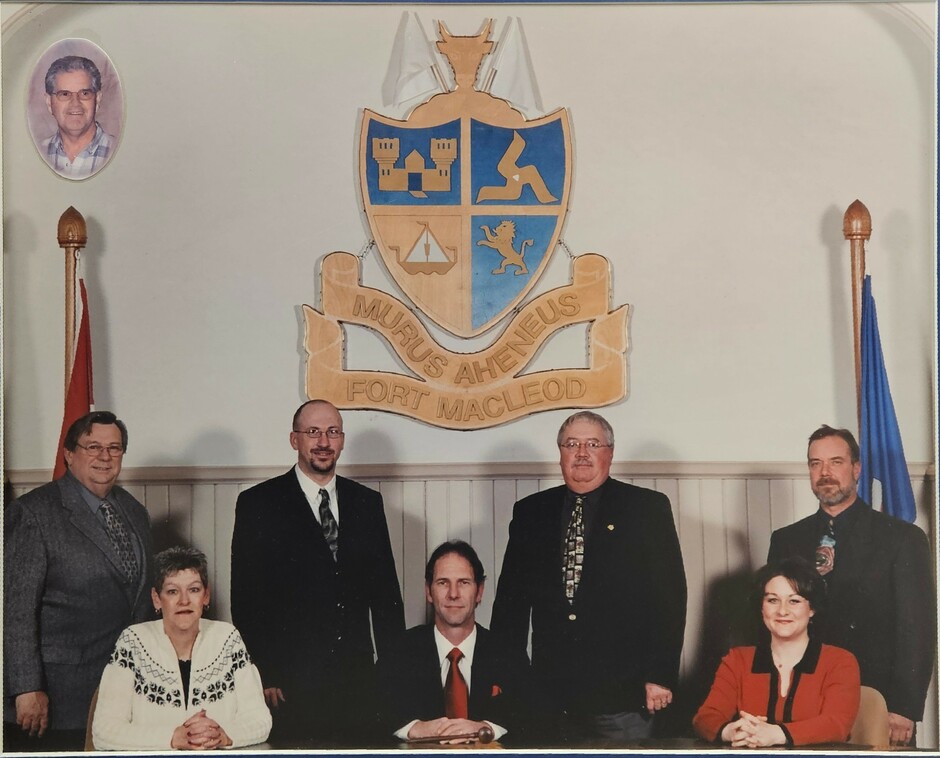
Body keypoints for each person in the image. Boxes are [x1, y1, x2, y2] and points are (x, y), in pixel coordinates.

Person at [490, 411, 687, 743]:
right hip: (549, 698)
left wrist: (660, 675)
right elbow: (510, 603)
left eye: (592, 444)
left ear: (609, 453)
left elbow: (669, 597)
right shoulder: (531, 512)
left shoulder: (646, 508)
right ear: (560, 454)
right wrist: (503, 675)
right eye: (572, 444)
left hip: (624, 698)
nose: (581, 453)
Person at [230, 399, 405, 745]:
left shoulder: (367, 503)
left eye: (332, 432)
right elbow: (246, 599)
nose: (323, 442)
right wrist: (265, 672)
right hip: (292, 683)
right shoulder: (259, 504)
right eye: (313, 432)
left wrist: (392, 670)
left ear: (341, 440)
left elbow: (386, 597)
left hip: (358, 680)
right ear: (295, 440)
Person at [768, 425, 935, 746]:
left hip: (876, 700)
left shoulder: (901, 538)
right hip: (804, 699)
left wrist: (903, 707)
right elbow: (775, 625)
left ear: (856, 468)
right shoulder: (786, 539)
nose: (825, 472)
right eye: (815, 463)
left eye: (836, 462)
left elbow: (916, 629)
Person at [3, 411, 153, 751]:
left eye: (114, 448)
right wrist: (25, 688)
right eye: (93, 446)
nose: (105, 457)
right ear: (69, 454)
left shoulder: (133, 511)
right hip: (56, 698)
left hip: (124, 692)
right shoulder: (34, 513)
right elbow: (15, 611)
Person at [92, 547, 271, 749]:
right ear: (156, 599)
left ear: (206, 595)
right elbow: (104, 731)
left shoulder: (227, 638)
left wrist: (223, 735)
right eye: (172, 591)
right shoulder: (133, 641)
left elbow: (260, 720)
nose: (184, 600)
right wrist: (172, 738)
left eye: (194, 589)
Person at [377, 540, 533, 745]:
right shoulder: (398, 652)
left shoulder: (509, 653)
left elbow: (531, 716)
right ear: (428, 591)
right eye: (443, 582)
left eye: (464, 582)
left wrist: (486, 728)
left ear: (479, 591)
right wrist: (414, 728)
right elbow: (373, 713)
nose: (453, 594)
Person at [693, 558, 860, 747]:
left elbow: (838, 725)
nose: (782, 611)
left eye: (794, 601)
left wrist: (778, 734)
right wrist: (729, 731)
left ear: (811, 609)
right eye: (773, 600)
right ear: (762, 607)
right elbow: (706, 717)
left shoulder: (839, 661)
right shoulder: (738, 659)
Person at [40, 55, 116, 179]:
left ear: (97, 99)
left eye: (85, 93)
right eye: (64, 94)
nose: (75, 103)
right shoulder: (37, 154)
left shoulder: (118, 152)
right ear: (49, 103)